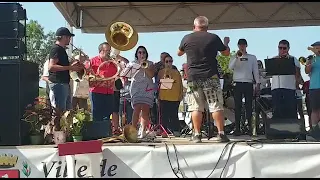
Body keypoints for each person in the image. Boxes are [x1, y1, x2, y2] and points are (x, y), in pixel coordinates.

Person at [177, 16, 230, 143]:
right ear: (207, 27)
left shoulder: (187, 38)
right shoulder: (213, 37)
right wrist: (226, 44)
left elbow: (179, 53)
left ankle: (196, 134)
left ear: (194, 27)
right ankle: (221, 134)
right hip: (211, 75)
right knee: (215, 105)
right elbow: (226, 53)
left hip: (193, 77)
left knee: (196, 107)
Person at [47, 27, 83, 134]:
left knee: (67, 110)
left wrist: (74, 64)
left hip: (63, 83)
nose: (69, 39)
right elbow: (51, 67)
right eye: (68, 37)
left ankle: (64, 132)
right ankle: (57, 133)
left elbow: (63, 65)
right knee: (60, 111)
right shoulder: (56, 49)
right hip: (58, 83)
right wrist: (70, 68)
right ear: (62, 37)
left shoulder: (61, 50)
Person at [228, 38, 260, 136]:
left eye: (243, 45)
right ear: (238, 46)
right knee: (237, 106)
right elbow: (230, 67)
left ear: (246, 46)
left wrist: (257, 83)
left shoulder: (252, 57)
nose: (242, 47)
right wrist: (237, 57)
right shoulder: (234, 57)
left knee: (249, 106)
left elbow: (255, 70)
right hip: (237, 83)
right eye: (240, 45)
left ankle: (251, 128)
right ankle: (238, 128)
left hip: (248, 83)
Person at [271, 40, 303, 119]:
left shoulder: (293, 59)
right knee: (277, 110)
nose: (282, 50)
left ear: (288, 49)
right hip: (276, 88)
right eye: (280, 48)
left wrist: (287, 59)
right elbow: (269, 73)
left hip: (289, 88)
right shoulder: (273, 59)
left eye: (284, 48)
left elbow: (298, 74)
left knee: (290, 111)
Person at [129, 46, 155, 138]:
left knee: (145, 109)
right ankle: (133, 131)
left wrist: (144, 67)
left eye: (143, 52)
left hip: (147, 87)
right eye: (139, 52)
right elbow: (129, 75)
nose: (142, 54)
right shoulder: (132, 63)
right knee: (136, 108)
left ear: (146, 54)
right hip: (136, 87)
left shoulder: (151, 63)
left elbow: (151, 75)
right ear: (137, 54)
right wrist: (137, 66)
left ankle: (143, 131)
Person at [89, 42, 118, 124]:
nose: (109, 52)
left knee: (108, 116)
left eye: (110, 50)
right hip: (97, 92)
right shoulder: (93, 61)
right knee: (97, 115)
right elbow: (87, 77)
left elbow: (117, 74)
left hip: (109, 92)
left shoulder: (113, 62)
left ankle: (106, 134)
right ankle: (97, 134)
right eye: (107, 50)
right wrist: (99, 78)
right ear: (101, 51)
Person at [158, 54, 183, 137]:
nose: (169, 63)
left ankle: (176, 130)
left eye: (170, 61)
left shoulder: (176, 72)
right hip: (164, 97)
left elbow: (180, 85)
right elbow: (160, 83)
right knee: (164, 115)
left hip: (174, 97)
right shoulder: (161, 72)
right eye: (167, 61)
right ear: (164, 63)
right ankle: (164, 131)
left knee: (174, 115)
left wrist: (181, 95)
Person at [305, 41, 320, 140]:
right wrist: (308, 64)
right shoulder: (312, 59)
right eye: (315, 48)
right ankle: (314, 131)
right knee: (314, 110)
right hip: (314, 87)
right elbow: (307, 71)